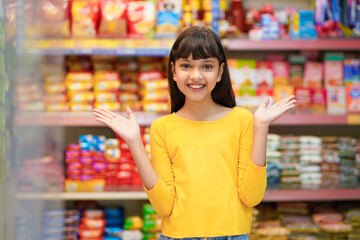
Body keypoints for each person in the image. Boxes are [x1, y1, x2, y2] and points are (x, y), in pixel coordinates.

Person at [93, 26, 296, 240]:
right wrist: (134, 142)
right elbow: (164, 206)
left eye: (206, 66)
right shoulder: (162, 127)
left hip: (232, 235)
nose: (196, 75)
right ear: (173, 71)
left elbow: (252, 197)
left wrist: (261, 126)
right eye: (186, 66)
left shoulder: (242, 120)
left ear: (219, 72)